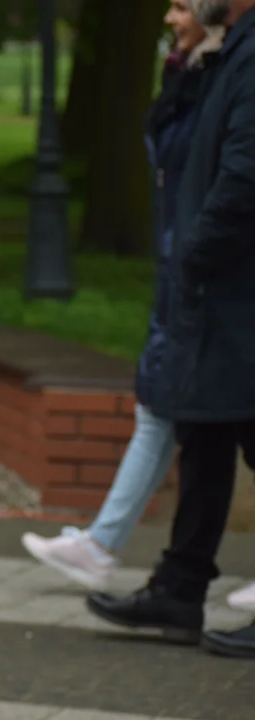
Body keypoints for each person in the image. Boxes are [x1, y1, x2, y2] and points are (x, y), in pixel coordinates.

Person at [20, 0, 222, 591]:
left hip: (205, 274)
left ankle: (113, 549)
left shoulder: (224, 76)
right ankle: (114, 549)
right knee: (166, 409)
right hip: (186, 268)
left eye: (182, 5)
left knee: (203, 418)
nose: (166, 16)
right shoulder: (194, 71)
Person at [86, 0, 255, 659]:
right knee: (203, 431)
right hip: (215, 288)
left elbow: (244, 174)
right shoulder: (229, 49)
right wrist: (187, 58)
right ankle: (181, 588)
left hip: (233, 287)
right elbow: (174, 137)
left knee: (234, 430)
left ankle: (182, 585)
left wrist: (195, 254)